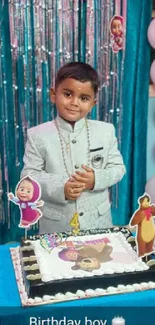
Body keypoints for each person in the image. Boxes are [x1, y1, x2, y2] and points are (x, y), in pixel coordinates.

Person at [21, 62, 126, 233]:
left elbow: (118, 169)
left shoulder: (106, 131)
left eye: (84, 98)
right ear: (53, 95)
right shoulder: (37, 135)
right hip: (56, 227)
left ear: (93, 103)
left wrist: (95, 179)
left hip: (98, 223)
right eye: (68, 94)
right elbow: (29, 176)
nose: (74, 103)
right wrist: (61, 187)